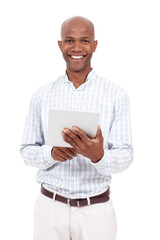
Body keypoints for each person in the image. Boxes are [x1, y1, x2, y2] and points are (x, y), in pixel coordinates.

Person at [20, 16, 133, 240]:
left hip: (97, 212)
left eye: (85, 41)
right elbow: (26, 150)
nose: (77, 48)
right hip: (50, 209)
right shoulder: (42, 94)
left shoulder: (115, 94)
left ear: (95, 45)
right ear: (60, 45)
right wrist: (51, 153)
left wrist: (99, 156)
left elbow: (126, 155)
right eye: (69, 40)